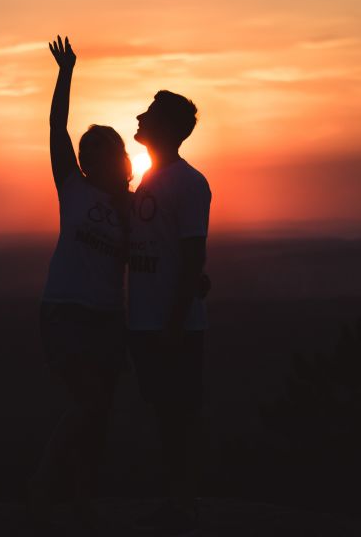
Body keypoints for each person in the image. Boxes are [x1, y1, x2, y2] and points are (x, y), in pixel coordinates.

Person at [28, 36, 132, 532]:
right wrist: (66, 72)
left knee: (98, 415)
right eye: (88, 151)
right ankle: (43, 493)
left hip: (109, 321)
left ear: (119, 157)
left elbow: (154, 258)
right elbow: (56, 128)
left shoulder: (133, 207)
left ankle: (80, 500)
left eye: (101, 150)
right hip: (65, 313)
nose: (91, 157)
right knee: (87, 405)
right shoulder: (72, 187)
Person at [127, 90, 211, 535]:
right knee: (164, 414)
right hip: (146, 322)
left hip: (170, 326)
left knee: (177, 415)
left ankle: (184, 506)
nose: (138, 116)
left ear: (168, 128)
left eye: (149, 113)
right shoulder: (150, 180)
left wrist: (174, 324)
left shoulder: (188, 182)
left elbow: (192, 253)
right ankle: (175, 503)